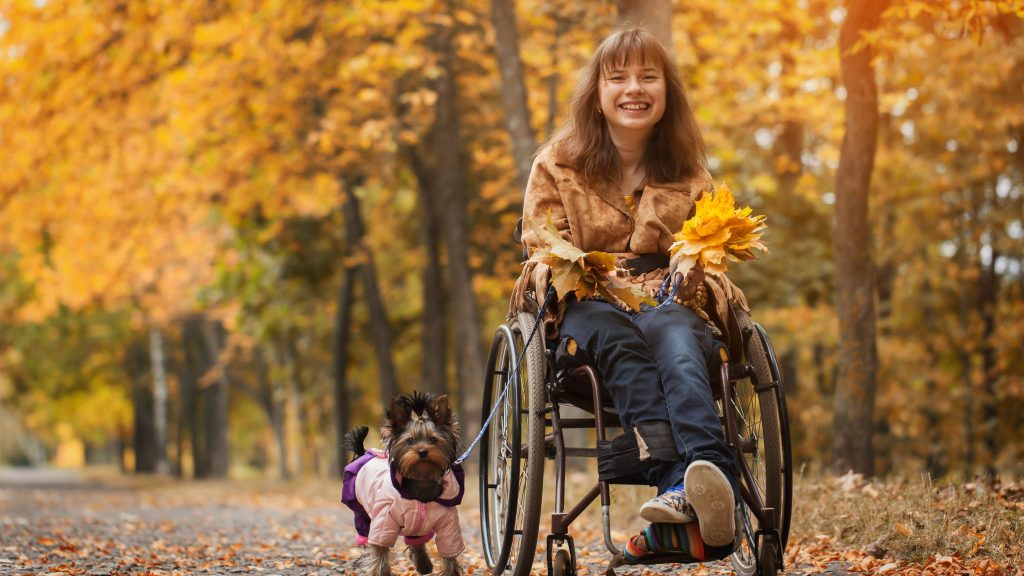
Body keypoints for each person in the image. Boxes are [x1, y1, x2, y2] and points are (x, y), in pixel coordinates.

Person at [510, 26, 750, 555]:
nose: (633, 89)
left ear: (668, 93)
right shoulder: (557, 164)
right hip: (587, 309)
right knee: (617, 334)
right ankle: (686, 485)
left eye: (648, 76)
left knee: (676, 335)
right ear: (597, 92)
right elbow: (542, 247)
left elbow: (710, 254)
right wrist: (591, 274)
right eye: (617, 78)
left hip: (668, 301)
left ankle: (703, 487)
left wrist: (692, 273)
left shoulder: (690, 176)